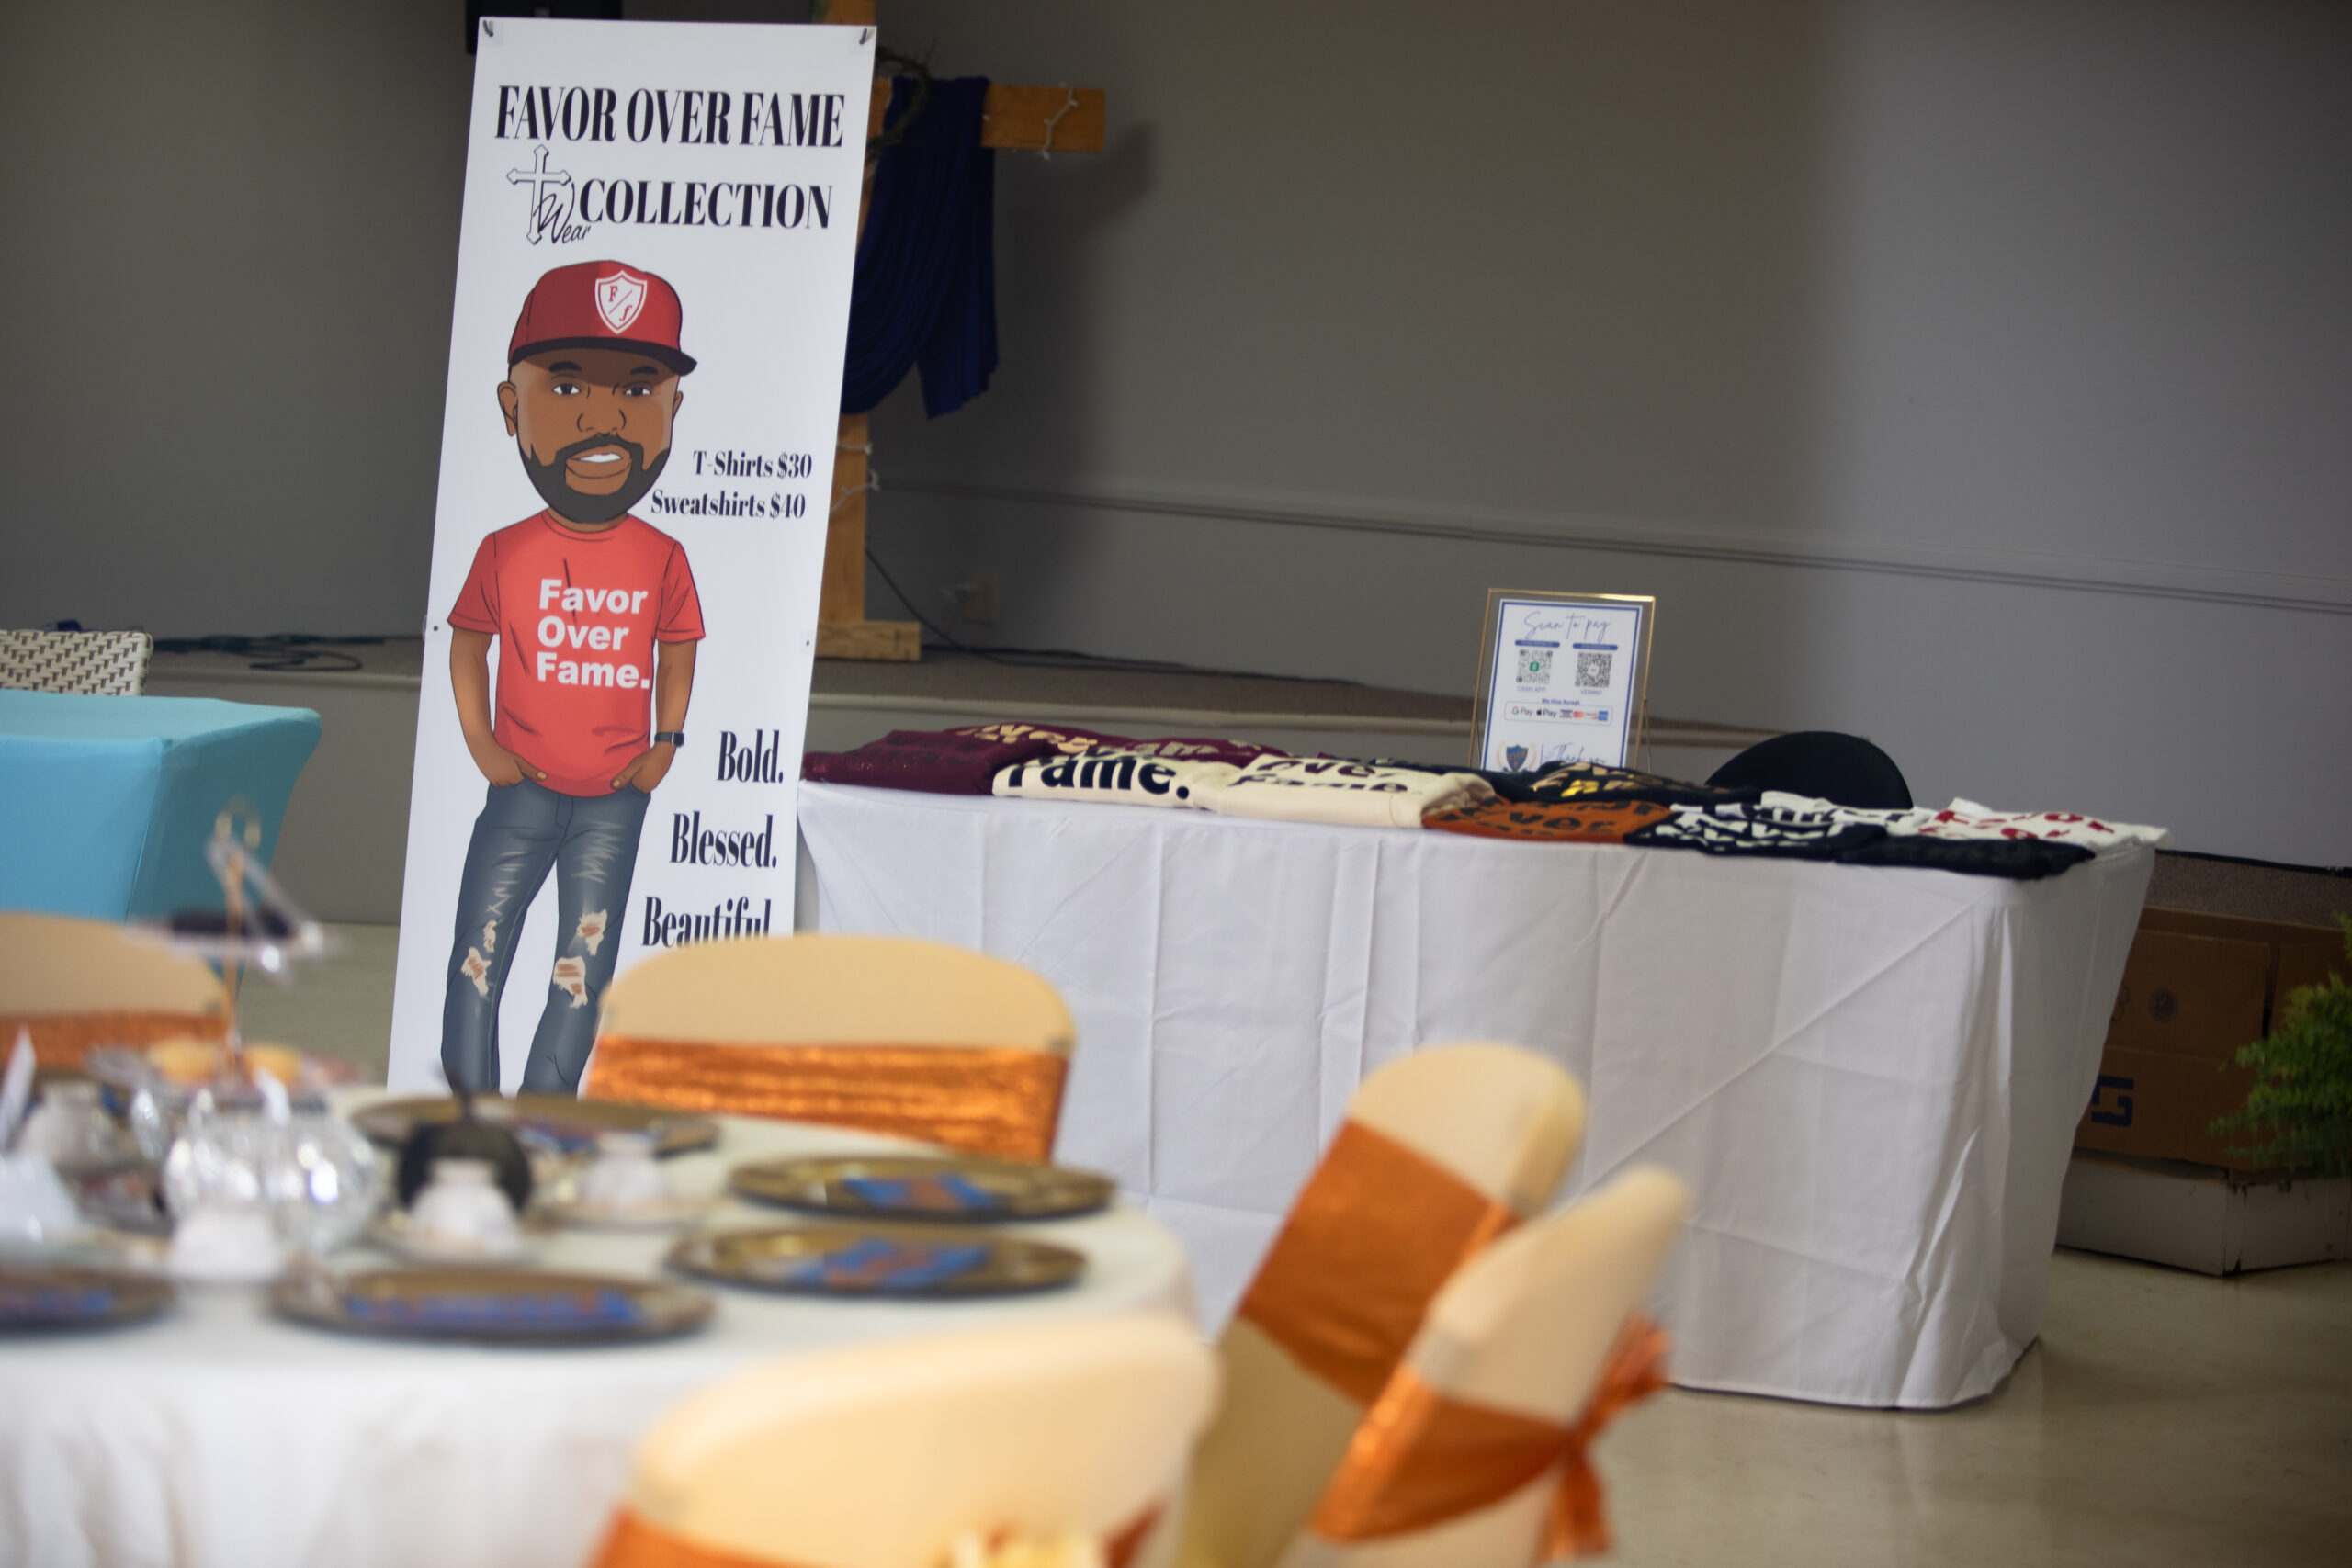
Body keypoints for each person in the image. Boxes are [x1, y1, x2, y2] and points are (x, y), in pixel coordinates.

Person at [440, 260, 705, 1093]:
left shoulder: (664, 556)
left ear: (672, 409)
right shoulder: (503, 550)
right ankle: (473, 1112)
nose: (602, 416)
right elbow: (466, 646)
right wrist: (481, 743)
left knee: (580, 969)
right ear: (509, 405)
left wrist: (666, 744)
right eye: (564, 387)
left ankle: (544, 1117)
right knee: (479, 955)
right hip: (519, 790)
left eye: (638, 389)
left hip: (614, 801)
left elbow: (678, 649)